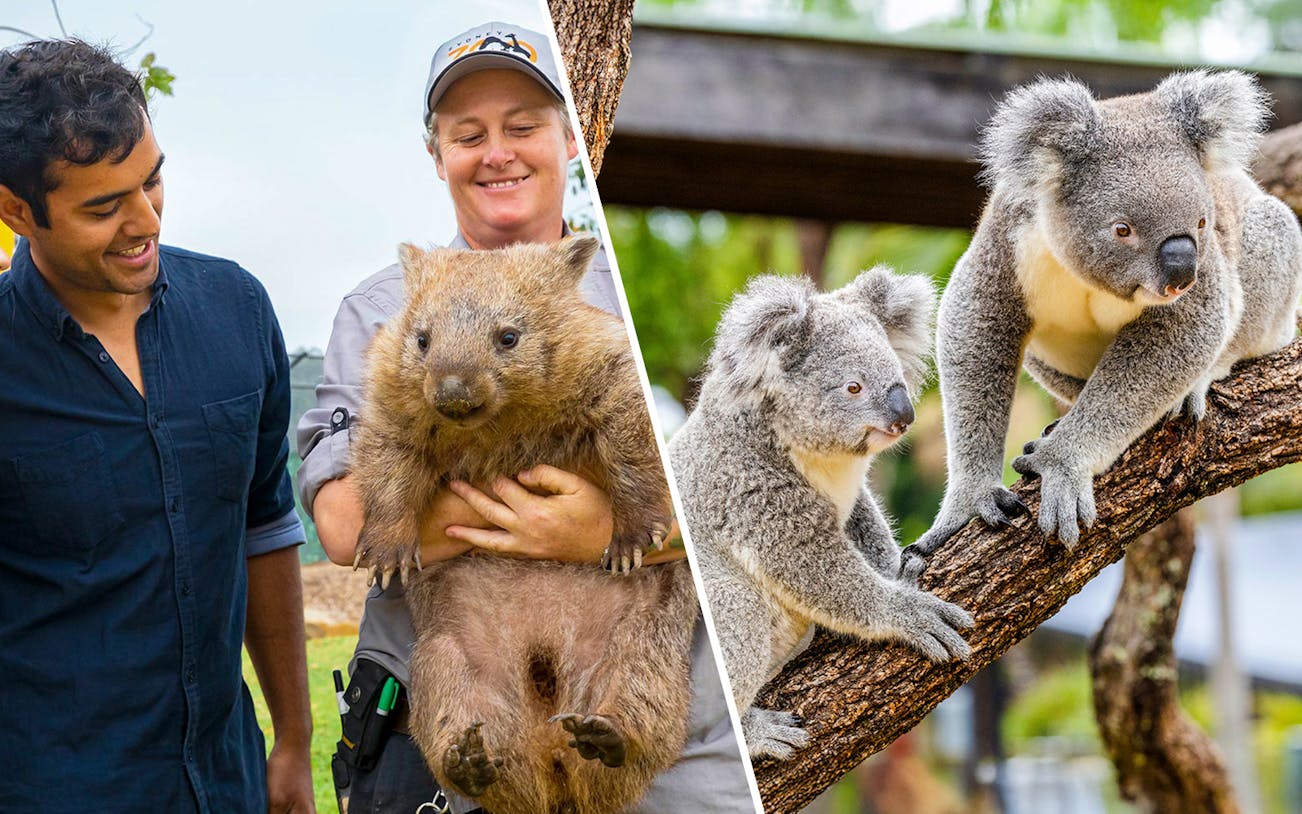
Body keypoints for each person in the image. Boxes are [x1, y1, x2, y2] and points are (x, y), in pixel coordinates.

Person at [297, 21, 754, 814]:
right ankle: (480, 756)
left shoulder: (621, 293)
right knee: (454, 667)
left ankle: (613, 736)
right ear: (436, 154)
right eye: (467, 135)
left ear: (573, 137)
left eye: (522, 127)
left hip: (677, 738)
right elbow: (346, 523)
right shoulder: (381, 308)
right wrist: (525, 527)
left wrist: (613, 527)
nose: (496, 152)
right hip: (461, 676)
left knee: (643, 650)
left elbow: (736, 497)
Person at [0, 40, 315, 813]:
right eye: (103, 207)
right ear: (15, 211)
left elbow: (265, 526)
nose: (144, 221)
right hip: (58, 789)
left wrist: (295, 744)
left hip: (229, 778)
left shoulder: (239, 310)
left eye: (153, 179)